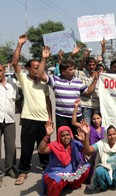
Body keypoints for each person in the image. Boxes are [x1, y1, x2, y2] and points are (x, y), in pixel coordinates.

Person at [12, 35, 52, 185]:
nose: (37, 70)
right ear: (27, 69)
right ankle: (23, 172)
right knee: (27, 147)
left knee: (45, 146)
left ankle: (46, 168)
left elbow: (48, 102)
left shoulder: (44, 83)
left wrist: (50, 118)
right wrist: (19, 45)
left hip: (43, 120)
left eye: (38, 67)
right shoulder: (24, 79)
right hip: (29, 119)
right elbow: (15, 63)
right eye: (34, 67)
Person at [37, 46, 98, 137]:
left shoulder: (77, 81)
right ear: (63, 72)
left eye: (73, 69)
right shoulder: (55, 81)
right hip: (61, 117)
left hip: (77, 117)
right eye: (70, 70)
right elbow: (40, 75)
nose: (73, 71)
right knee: (63, 141)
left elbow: (88, 92)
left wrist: (95, 80)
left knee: (79, 139)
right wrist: (44, 59)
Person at [38, 122, 90, 196]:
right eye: (63, 136)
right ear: (59, 136)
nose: (66, 137)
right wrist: (47, 135)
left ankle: (71, 184)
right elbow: (41, 150)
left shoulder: (74, 143)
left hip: (70, 170)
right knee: (56, 182)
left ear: (70, 135)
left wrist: (85, 139)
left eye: (68, 135)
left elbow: (87, 152)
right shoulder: (54, 145)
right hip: (55, 172)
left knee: (86, 167)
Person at [0, 64, 20, 187]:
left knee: (11, 146)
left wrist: (22, 114)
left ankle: (10, 168)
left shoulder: (12, 84)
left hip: (9, 119)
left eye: (0, 70)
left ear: (4, 70)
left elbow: (17, 100)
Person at [75, 56, 100, 124]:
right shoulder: (81, 75)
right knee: (86, 128)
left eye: (93, 65)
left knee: (96, 129)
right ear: (86, 66)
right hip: (85, 106)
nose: (91, 67)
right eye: (89, 65)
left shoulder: (100, 77)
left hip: (97, 106)